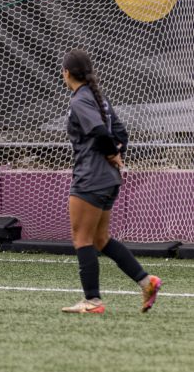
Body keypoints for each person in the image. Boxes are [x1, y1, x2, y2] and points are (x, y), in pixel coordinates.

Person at [59, 49, 162, 314]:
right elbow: (121, 133)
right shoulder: (99, 98)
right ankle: (146, 281)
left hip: (90, 178)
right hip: (109, 179)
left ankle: (92, 301)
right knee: (101, 239)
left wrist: (110, 153)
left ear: (67, 73)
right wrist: (116, 154)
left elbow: (98, 131)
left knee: (82, 239)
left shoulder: (80, 100)